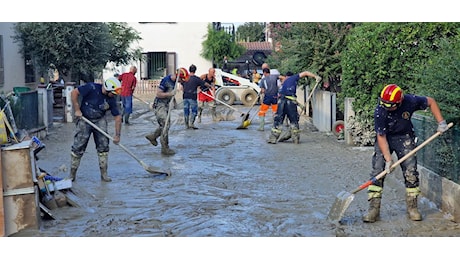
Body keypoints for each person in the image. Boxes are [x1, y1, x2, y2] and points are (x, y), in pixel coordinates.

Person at [363, 84, 449, 223]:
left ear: (399, 102)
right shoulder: (380, 111)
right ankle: (373, 210)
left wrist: (441, 122)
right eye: (384, 104)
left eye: (390, 105)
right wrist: (388, 160)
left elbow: (431, 101)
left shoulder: (410, 101)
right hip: (386, 138)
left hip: (405, 137)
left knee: (411, 172)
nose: (386, 107)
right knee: (378, 171)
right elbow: (381, 136)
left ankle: (412, 208)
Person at [68, 75, 122, 182]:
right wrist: (77, 109)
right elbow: (74, 92)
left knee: (104, 146)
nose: (114, 95)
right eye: (113, 93)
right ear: (107, 89)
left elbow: (118, 117)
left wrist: (117, 135)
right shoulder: (91, 87)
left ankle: (104, 174)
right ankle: (72, 174)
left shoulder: (111, 99)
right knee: (78, 146)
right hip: (84, 118)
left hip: (99, 119)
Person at [268, 70, 321, 144]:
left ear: (286, 76)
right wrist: (315, 77)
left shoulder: (284, 82)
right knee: (294, 120)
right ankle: (295, 139)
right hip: (290, 103)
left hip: (282, 102)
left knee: (278, 119)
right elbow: (305, 73)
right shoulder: (293, 78)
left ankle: (273, 138)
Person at [145, 68, 189, 156]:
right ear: (178, 77)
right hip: (159, 105)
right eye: (181, 79)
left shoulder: (175, 83)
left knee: (165, 125)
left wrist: (174, 102)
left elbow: (172, 94)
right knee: (165, 125)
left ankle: (153, 136)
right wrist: (170, 94)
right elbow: (158, 94)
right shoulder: (166, 81)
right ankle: (165, 148)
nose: (181, 81)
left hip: (166, 105)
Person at [182, 64, 214, 129]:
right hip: (192, 97)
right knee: (194, 111)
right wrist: (210, 86)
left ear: (189, 70)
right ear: (195, 71)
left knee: (186, 110)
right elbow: (205, 84)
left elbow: (181, 85)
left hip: (185, 96)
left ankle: (186, 125)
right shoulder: (197, 79)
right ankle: (191, 124)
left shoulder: (185, 78)